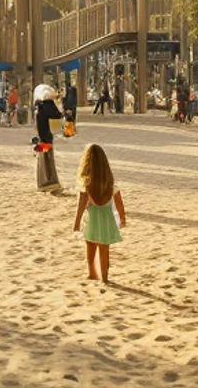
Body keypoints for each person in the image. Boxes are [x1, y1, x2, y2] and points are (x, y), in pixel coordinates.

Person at [72, 144, 127, 283]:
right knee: (104, 250)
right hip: (106, 221)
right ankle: (105, 277)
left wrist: (77, 222)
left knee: (90, 247)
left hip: (91, 220)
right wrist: (122, 218)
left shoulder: (86, 183)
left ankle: (92, 273)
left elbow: (81, 205)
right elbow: (119, 203)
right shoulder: (110, 183)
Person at [33, 84, 65, 192]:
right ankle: (50, 182)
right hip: (47, 136)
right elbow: (57, 115)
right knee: (48, 159)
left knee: (41, 159)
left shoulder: (38, 106)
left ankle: (42, 182)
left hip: (41, 136)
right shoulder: (48, 105)